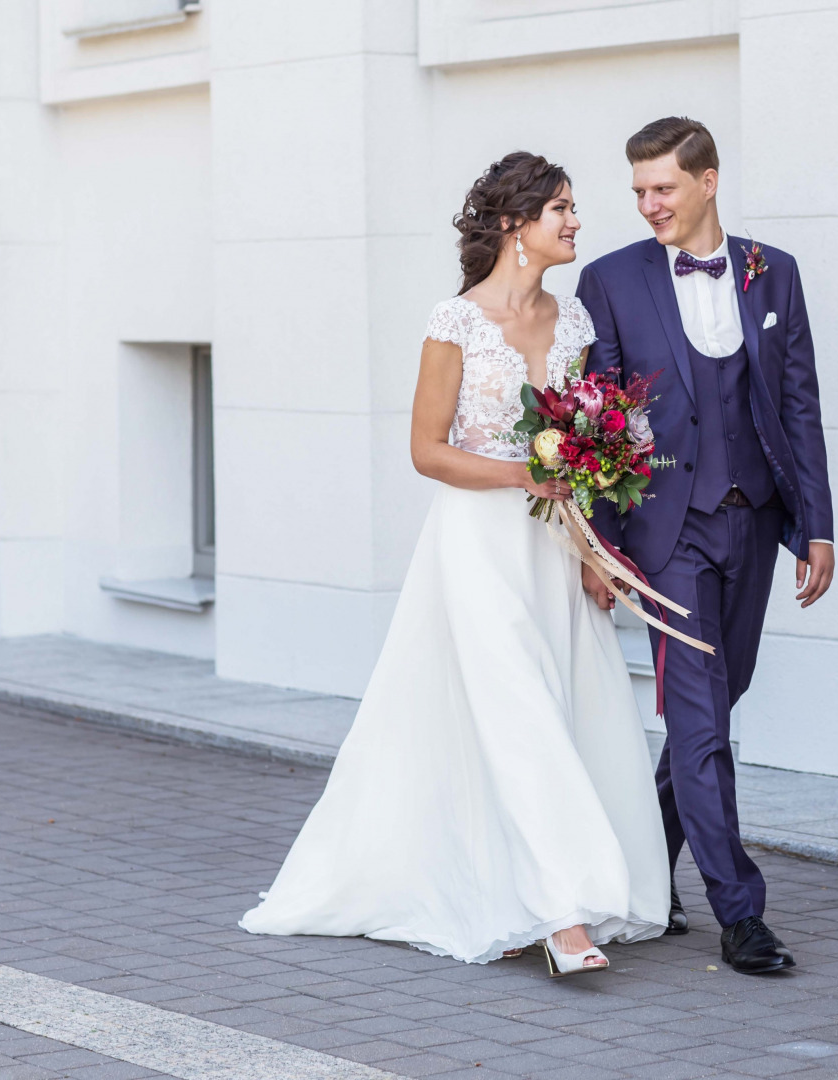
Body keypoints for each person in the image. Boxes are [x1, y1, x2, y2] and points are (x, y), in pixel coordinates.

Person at [240, 152, 669, 976]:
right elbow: (425, 452)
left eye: (574, 208)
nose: (576, 221)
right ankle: (561, 915)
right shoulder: (456, 322)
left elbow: (581, 455)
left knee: (559, 707)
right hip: (477, 543)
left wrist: (592, 552)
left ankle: (512, 888)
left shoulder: (574, 321)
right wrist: (524, 474)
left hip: (552, 544)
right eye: (561, 209)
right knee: (518, 713)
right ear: (515, 225)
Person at [577, 117, 835, 975]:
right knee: (696, 715)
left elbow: (798, 406)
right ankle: (740, 914)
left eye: (664, 188)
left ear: (708, 181)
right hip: (665, 531)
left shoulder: (774, 274)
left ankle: (641, 869)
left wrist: (816, 524)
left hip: (753, 520)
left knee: (715, 711)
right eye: (639, 191)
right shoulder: (609, 281)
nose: (649, 205)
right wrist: (604, 548)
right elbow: (600, 420)